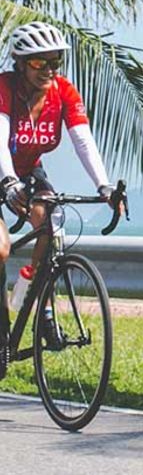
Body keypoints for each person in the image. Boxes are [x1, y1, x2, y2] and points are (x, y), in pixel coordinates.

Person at [0, 22, 117, 341]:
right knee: (0, 248)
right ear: (20, 63)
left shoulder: (63, 91)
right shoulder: (4, 87)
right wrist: (9, 181)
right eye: (39, 62)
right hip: (2, 168)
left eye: (54, 62)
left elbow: (83, 140)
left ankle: (42, 309)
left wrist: (103, 186)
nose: (48, 70)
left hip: (28, 170)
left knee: (51, 227)